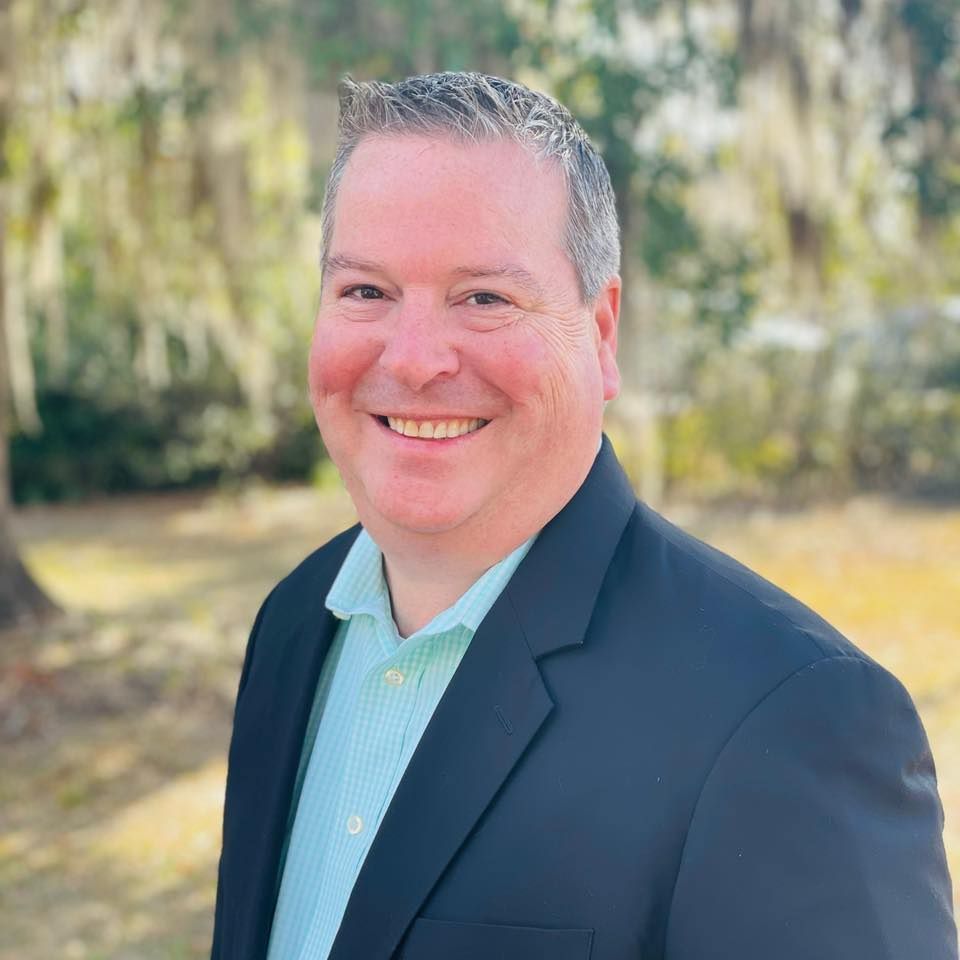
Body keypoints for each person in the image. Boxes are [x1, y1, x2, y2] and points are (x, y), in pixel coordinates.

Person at [211, 72, 956, 960]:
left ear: (600, 334)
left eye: (484, 297)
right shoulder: (293, 623)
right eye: (366, 291)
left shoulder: (794, 718)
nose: (411, 361)